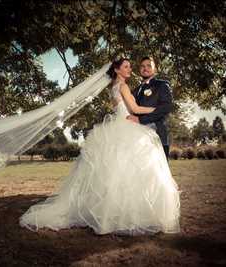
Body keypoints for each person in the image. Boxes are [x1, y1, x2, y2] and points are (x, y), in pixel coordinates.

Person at [19, 58, 180, 236]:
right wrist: (157, 110)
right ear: (117, 70)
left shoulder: (115, 88)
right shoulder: (125, 87)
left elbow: (122, 107)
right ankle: (130, 214)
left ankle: (113, 212)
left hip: (122, 126)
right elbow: (134, 108)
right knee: (132, 171)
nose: (131, 69)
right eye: (127, 67)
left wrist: (156, 110)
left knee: (115, 173)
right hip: (128, 127)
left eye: (133, 66)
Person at [127, 56, 173, 159]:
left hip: (157, 135)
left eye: (149, 66)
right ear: (139, 70)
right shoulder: (135, 90)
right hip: (137, 138)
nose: (145, 68)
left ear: (155, 69)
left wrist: (140, 119)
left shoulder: (162, 85)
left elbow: (166, 107)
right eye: (142, 66)